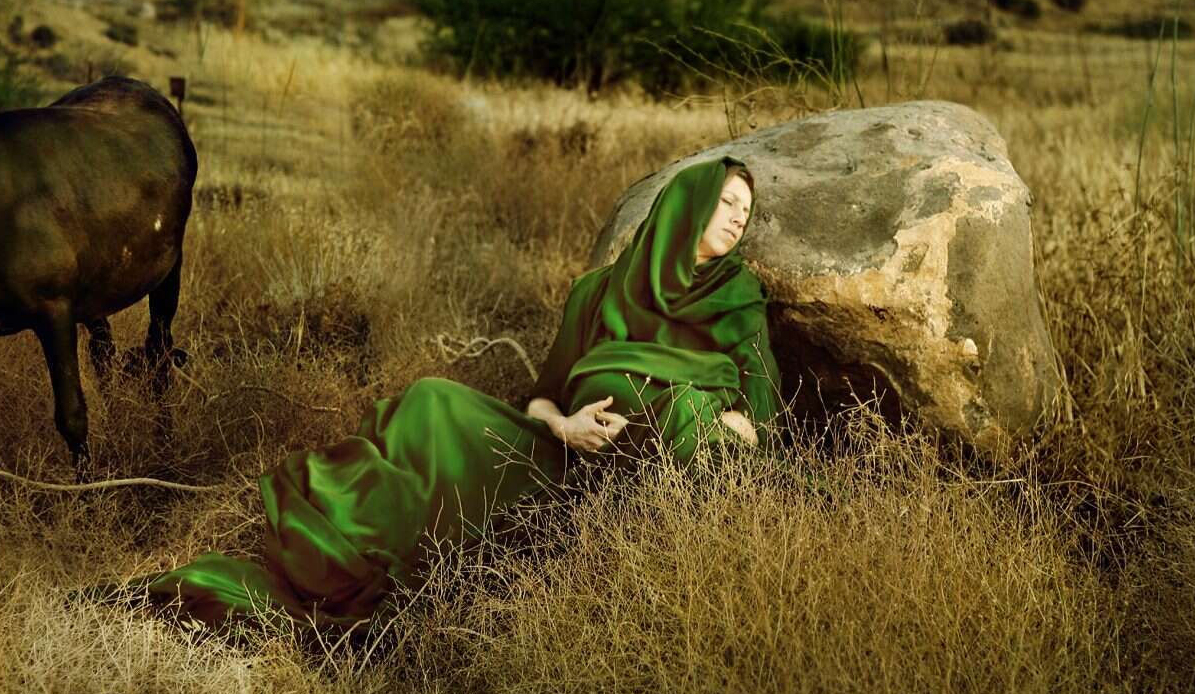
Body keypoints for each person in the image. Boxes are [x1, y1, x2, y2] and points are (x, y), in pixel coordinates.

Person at [124, 156, 777, 629]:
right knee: (433, 398)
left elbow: (757, 404)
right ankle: (343, 552)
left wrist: (718, 423)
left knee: (691, 413)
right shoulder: (599, 292)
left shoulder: (737, 295)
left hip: (665, 456)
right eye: (727, 203)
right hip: (566, 453)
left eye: (745, 212)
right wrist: (566, 425)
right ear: (689, 203)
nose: (737, 219)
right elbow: (541, 398)